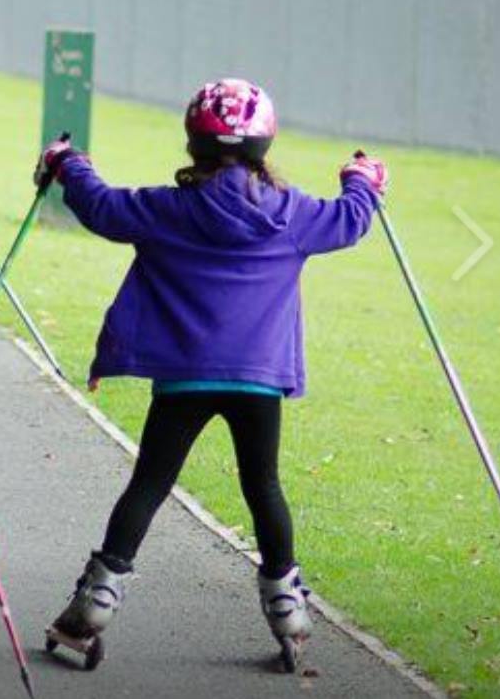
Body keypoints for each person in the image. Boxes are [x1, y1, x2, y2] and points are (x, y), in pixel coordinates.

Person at [41, 79, 384, 673]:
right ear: (265, 141)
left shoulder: (168, 209)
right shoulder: (293, 213)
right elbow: (351, 221)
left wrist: (68, 163)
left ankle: (95, 603)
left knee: (149, 484)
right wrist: (363, 180)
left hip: (183, 378)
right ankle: (289, 610)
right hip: (257, 380)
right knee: (264, 489)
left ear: (193, 142)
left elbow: (100, 206)